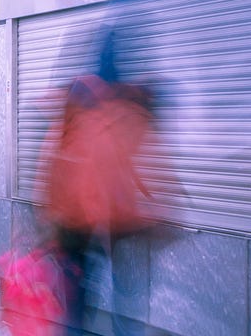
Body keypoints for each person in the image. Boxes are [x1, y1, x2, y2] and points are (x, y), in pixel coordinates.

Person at [42, 35, 155, 336]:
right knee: (125, 297)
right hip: (114, 219)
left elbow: (53, 164)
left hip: (81, 221)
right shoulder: (130, 107)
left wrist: (50, 215)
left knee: (77, 296)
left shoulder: (78, 103)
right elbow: (144, 162)